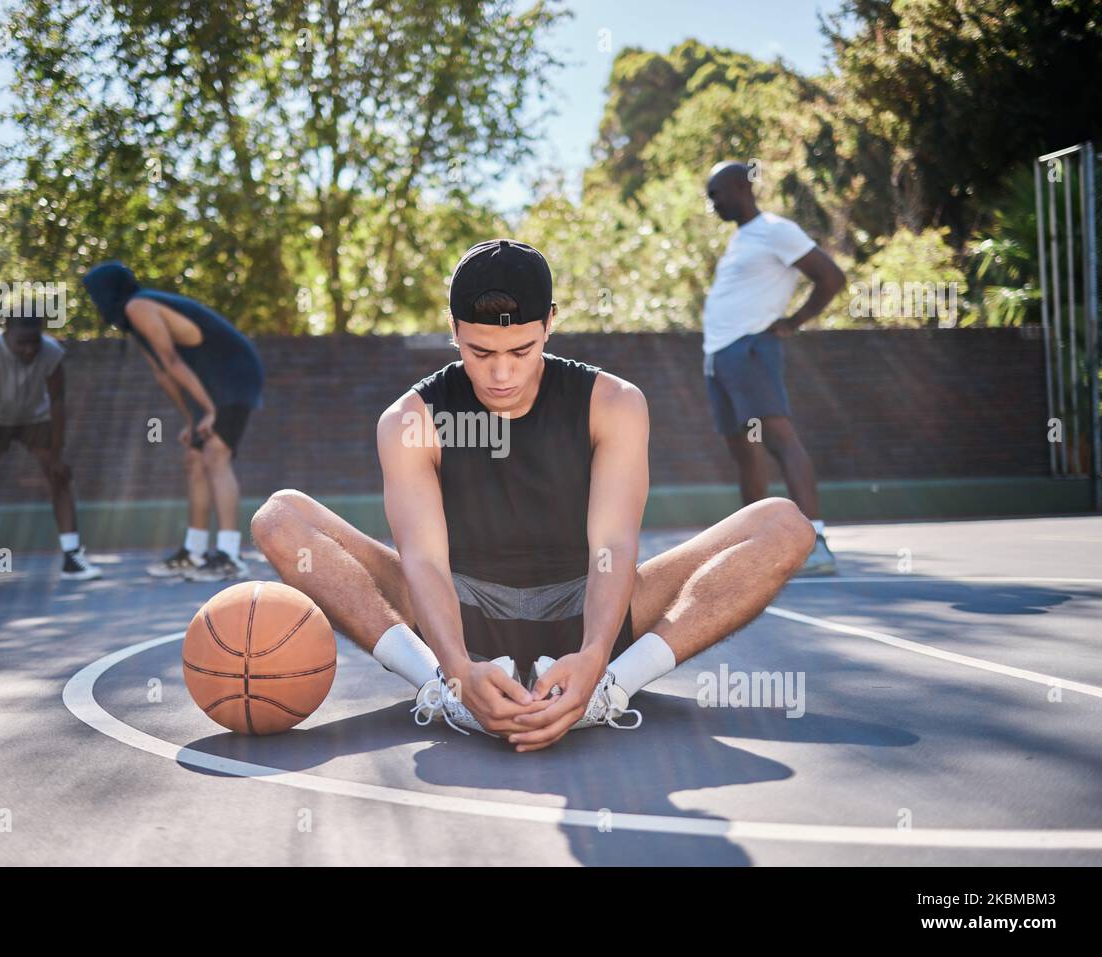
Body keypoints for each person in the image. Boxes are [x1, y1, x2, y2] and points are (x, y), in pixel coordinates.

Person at [250, 239, 814, 752]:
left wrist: (596, 656)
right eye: (479, 352)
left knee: (784, 526)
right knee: (280, 517)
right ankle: (444, 691)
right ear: (452, 330)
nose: (500, 374)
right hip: (462, 609)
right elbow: (423, 560)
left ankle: (612, 689)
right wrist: (454, 668)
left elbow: (613, 546)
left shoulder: (613, 403)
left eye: (520, 351)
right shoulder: (410, 419)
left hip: (586, 602)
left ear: (549, 324)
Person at [702, 160, 847, 575]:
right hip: (721, 356)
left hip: (752, 350)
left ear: (739, 187)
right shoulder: (741, 239)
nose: (713, 204)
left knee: (779, 440)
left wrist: (793, 322)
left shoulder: (775, 230)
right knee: (743, 452)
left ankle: (815, 542)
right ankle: (758, 546)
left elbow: (831, 277)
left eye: (717, 194)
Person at [81, 261, 264, 581]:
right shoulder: (132, 320)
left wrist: (208, 410)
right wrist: (192, 418)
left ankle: (230, 555)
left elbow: (171, 359)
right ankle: (193, 554)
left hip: (235, 372)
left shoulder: (139, 305)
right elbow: (163, 374)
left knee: (215, 455)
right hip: (211, 381)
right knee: (193, 460)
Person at [0, 314, 102, 585]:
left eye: (34, 342)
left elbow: (58, 401)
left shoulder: (51, 352)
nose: (29, 349)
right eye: (22, 343)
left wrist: (57, 454)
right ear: (6, 335)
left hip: (36, 419)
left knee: (59, 477)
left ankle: (72, 557)